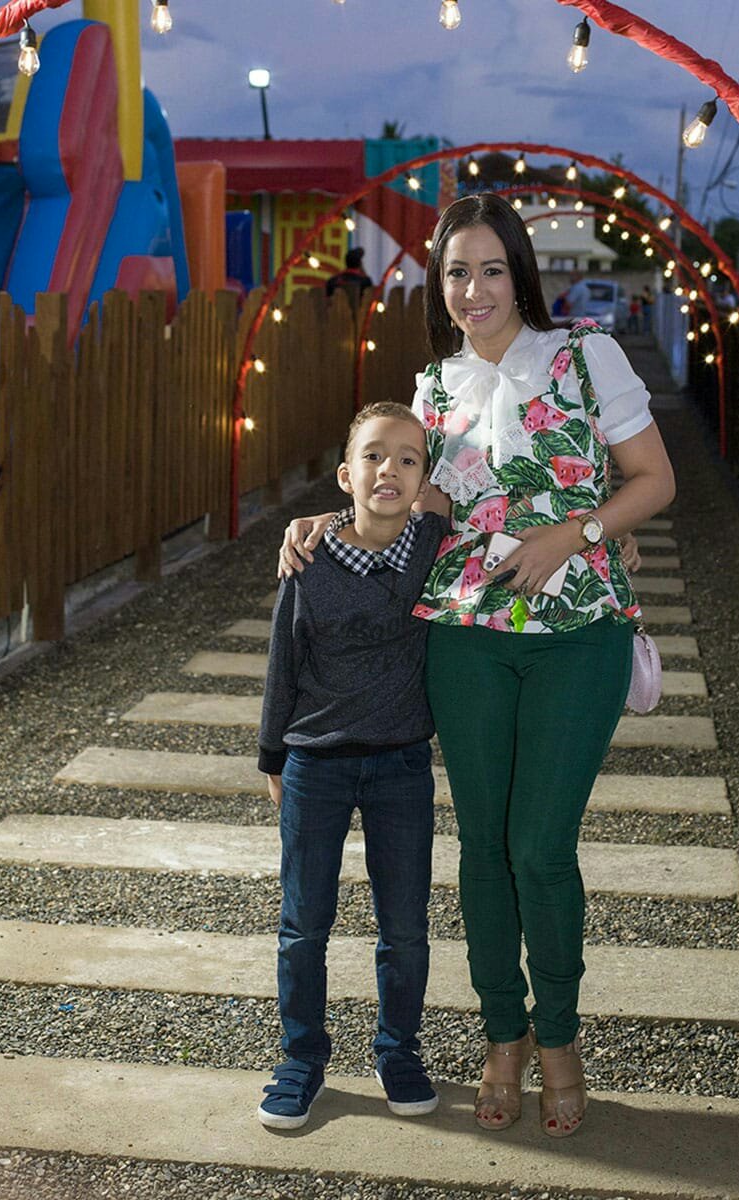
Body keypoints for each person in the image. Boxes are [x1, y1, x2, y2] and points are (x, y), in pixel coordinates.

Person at [279, 192, 675, 1139]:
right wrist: (327, 520)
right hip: (464, 634)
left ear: (519, 274)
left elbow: (655, 479)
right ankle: (504, 1035)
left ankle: (559, 1038)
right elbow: (409, 500)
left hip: (577, 629)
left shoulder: (585, 356)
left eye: (492, 269)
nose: (474, 289)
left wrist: (575, 534)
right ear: (441, 285)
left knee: (539, 845)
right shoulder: (435, 388)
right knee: (482, 847)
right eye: (457, 272)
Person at [257, 401, 449, 1131]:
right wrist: (273, 755)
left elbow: (504, 528)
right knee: (304, 923)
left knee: (405, 926)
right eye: (372, 456)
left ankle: (398, 1051)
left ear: (425, 481)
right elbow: (284, 660)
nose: (388, 470)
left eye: (407, 459)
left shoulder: (436, 546)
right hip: (317, 762)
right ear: (345, 474)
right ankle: (301, 1059)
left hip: (401, 764)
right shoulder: (308, 559)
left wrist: (614, 540)